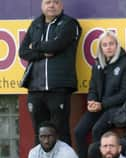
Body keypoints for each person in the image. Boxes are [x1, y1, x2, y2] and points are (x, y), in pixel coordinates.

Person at [19, 0, 81, 145]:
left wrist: (34, 45)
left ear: (61, 5)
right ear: (42, 5)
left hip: (58, 87)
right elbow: (23, 51)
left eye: (56, 2)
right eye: (48, 2)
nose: (51, 5)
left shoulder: (69, 23)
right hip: (35, 88)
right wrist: (42, 53)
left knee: (60, 131)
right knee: (39, 133)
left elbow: (56, 45)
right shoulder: (36, 24)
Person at [73, 30, 126, 158]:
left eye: (111, 44)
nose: (108, 47)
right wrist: (91, 101)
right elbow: (93, 87)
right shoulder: (97, 64)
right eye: (105, 45)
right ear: (101, 48)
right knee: (78, 131)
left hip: (116, 108)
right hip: (99, 106)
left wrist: (102, 104)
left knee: (97, 130)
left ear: (117, 45)